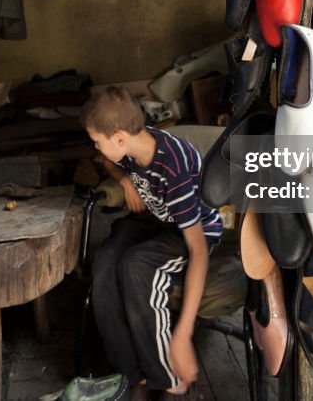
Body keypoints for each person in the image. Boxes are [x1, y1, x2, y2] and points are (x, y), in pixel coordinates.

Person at [82, 86, 223, 401]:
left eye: (98, 141)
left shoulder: (175, 167)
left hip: (192, 230)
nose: (96, 147)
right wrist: (124, 179)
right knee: (105, 263)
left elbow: (198, 250)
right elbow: (102, 160)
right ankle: (135, 375)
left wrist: (184, 334)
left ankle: (171, 379)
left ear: (119, 138)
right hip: (156, 220)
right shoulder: (129, 145)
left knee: (136, 265)